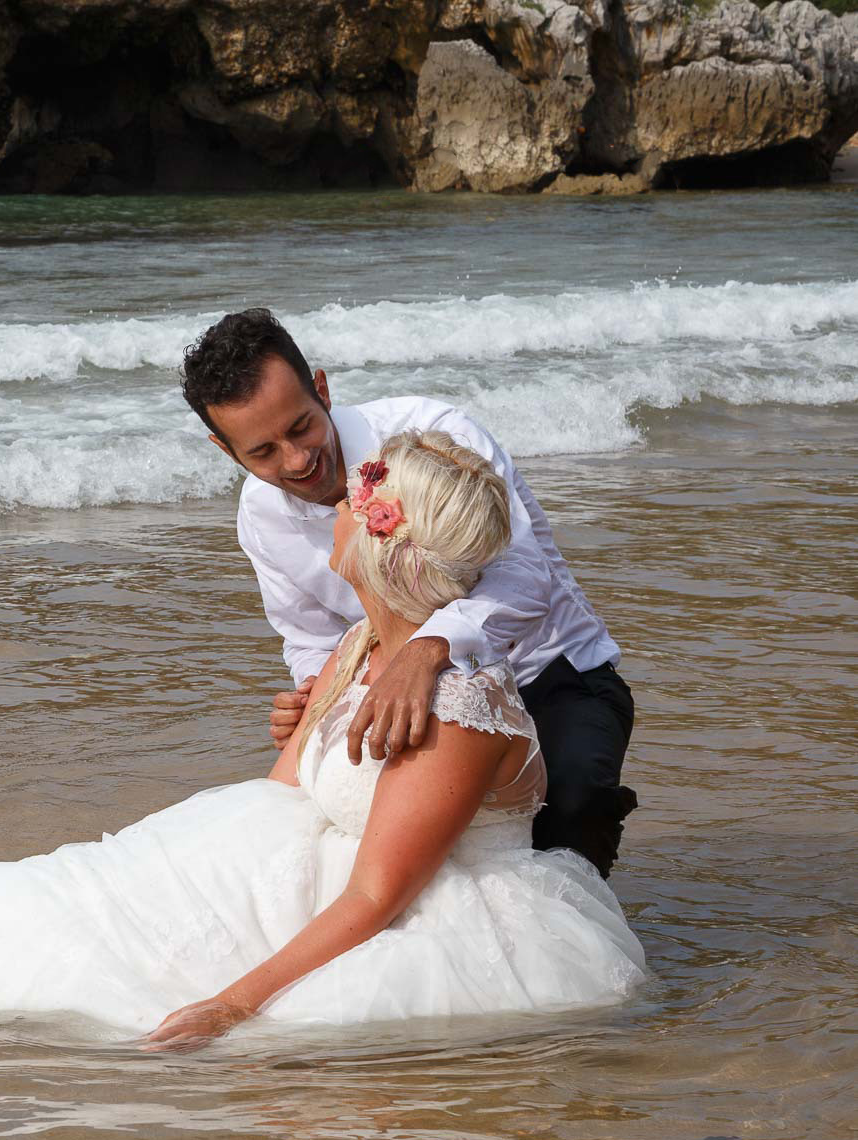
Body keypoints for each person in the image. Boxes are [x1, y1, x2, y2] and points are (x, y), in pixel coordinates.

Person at [0, 431, 647, 1050]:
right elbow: (284, 789)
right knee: (57, 893)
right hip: (307, 859)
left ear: (388, 545)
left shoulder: (456, 708)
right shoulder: (365, 644)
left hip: (421, 916)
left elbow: (379, 894)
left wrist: (235, 1000)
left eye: (357, 501)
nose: (336, 506)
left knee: (145, 986)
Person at [181, 308, 637, 877]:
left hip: (552, 674)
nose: (297, 461)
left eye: (301, 427)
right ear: (227, 450)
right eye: (262, 452)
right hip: (413, 710)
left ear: (321, 389)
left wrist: (429, 649)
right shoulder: (259, 517)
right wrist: (310, 699)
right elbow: (310, 637)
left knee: (566, 829)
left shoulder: (434, 434)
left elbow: (526, 576)